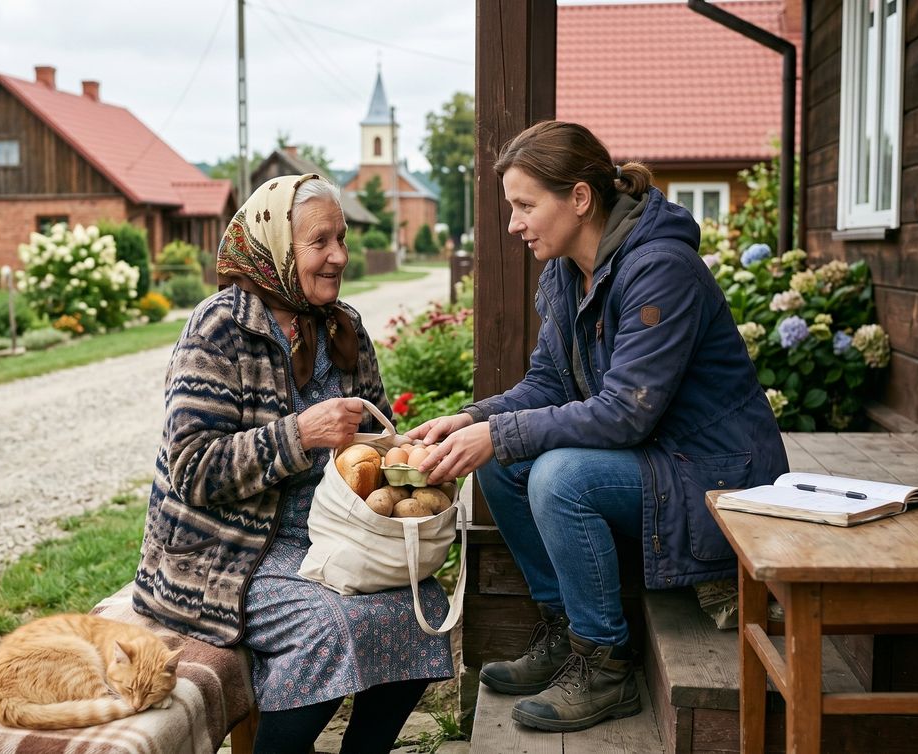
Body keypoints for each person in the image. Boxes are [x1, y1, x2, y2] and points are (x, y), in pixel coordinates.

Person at [409, 121, 789, 733]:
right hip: (658, 463)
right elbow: (549, 387)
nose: (513, 224)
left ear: (580, 199)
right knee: (500, 462)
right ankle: (563, 630)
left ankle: (605, 664)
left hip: (719, 479)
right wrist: (476, 419)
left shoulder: (661, 269)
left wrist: (501, 432)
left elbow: (627, 410)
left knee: (560, 476)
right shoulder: (565, 273)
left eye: (525, 206)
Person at [133, 174, 453, 753]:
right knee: (327, 627)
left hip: (331, 535)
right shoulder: (219, 329)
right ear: (277, 246)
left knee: (421, 603)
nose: (339, 257)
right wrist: (297, 435)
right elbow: (192, 469)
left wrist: (413, 462)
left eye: (342, 238)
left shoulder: (343, 327)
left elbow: (375, 443)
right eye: (320, 242)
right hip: (227, 553)